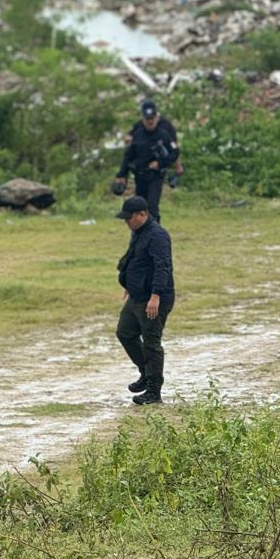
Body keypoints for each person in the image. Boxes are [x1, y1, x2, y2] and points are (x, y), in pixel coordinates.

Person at [115, 195, 175, 406]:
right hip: (136, 296)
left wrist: (155, 296)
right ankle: (145, 372)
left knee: (151, 344)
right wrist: (128, 286)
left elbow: (162, 267)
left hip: (154, 298)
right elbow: (134, 261)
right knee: (125, 333)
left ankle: (153, 391)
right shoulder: (138, 232)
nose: (127, 223)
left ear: (142, 215)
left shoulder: (158, 236)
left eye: (129, 218)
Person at [114, 100, 180, 222]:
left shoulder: (164, 134)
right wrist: (122, 175)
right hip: (140, 176)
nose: (150, 121)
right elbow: (128, 156)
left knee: (152, 206)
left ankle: (156, 236)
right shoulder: (137, 134)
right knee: (140, 208)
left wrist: (160, 163)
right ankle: (142, 237)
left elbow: (175, 153)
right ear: (143, 119)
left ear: (156, 117)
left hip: (155, 176)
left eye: (152, 118)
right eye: (147, 118)